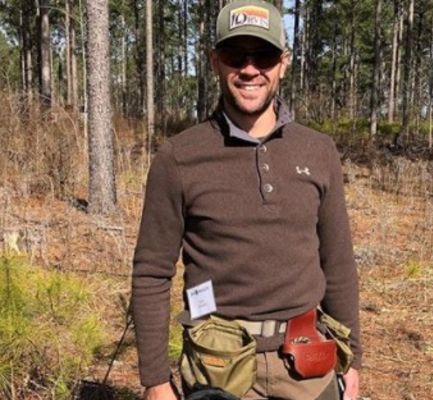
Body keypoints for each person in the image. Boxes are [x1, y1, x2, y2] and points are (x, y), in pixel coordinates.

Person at [132, 1, 362, 399]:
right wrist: (155, 380)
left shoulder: (318, 150)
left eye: (264, 56)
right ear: (215, 62)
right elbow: (152, 272)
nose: (250, 69)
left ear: (283, 63)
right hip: (218, 365)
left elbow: (338, 262)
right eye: (236, 55)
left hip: (308, 360)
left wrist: (352, 361)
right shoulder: (179, 157)